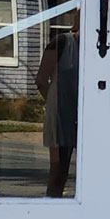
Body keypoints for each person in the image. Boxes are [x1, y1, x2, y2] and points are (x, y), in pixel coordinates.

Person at [35, 17, 80, 198]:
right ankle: (51, 203)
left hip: (84, 115)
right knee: (59, 170)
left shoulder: (96, 49)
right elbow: (41, 79)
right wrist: (55, 103)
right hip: (61, 114)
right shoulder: (61, 43)